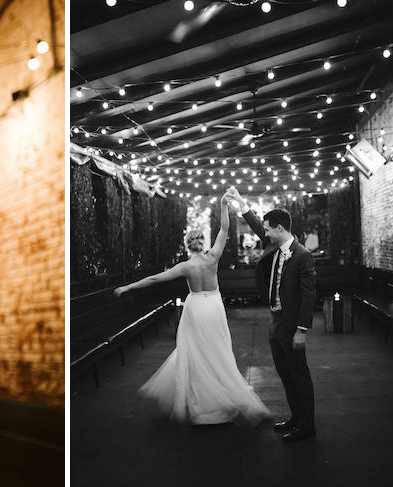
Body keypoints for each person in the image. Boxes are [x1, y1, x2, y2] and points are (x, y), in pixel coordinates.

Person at [114, 195, 270, 425]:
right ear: (202, 242)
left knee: (197, 352)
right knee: (218, 351)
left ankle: (203, 406)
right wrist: (223, 205)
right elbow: (225, 229)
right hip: (214, 307)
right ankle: (222, 396)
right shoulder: (213, 257)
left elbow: (156, 278)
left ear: (188, 245)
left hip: (195, 307)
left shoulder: (185, 267)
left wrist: (128, 287)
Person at [225, 187, 317, 443]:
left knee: (299, 375)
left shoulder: (302, 255)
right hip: (275, 322)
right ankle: (296, 418)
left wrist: (301, 330)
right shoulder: (274, 245)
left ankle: (307, 426)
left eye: (267, 229)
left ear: (279, 228)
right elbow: (256, 224)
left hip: (291, 325)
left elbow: (309, 295)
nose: (263, 233)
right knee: (286, 375)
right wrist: (241, 203)